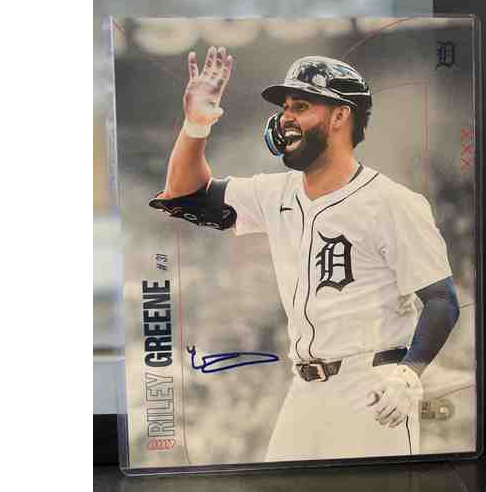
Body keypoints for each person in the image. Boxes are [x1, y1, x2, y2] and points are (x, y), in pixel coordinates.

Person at [150, 46, 460, 461]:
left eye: (300, 106)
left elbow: (441, 300)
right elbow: (184, 195)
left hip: (371, 386)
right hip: (304, 390)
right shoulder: (274, 192)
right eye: (285, 108)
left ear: (340, 115)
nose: (285, 117)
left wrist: (409, 373)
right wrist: (196, 125)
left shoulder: (393, 203)